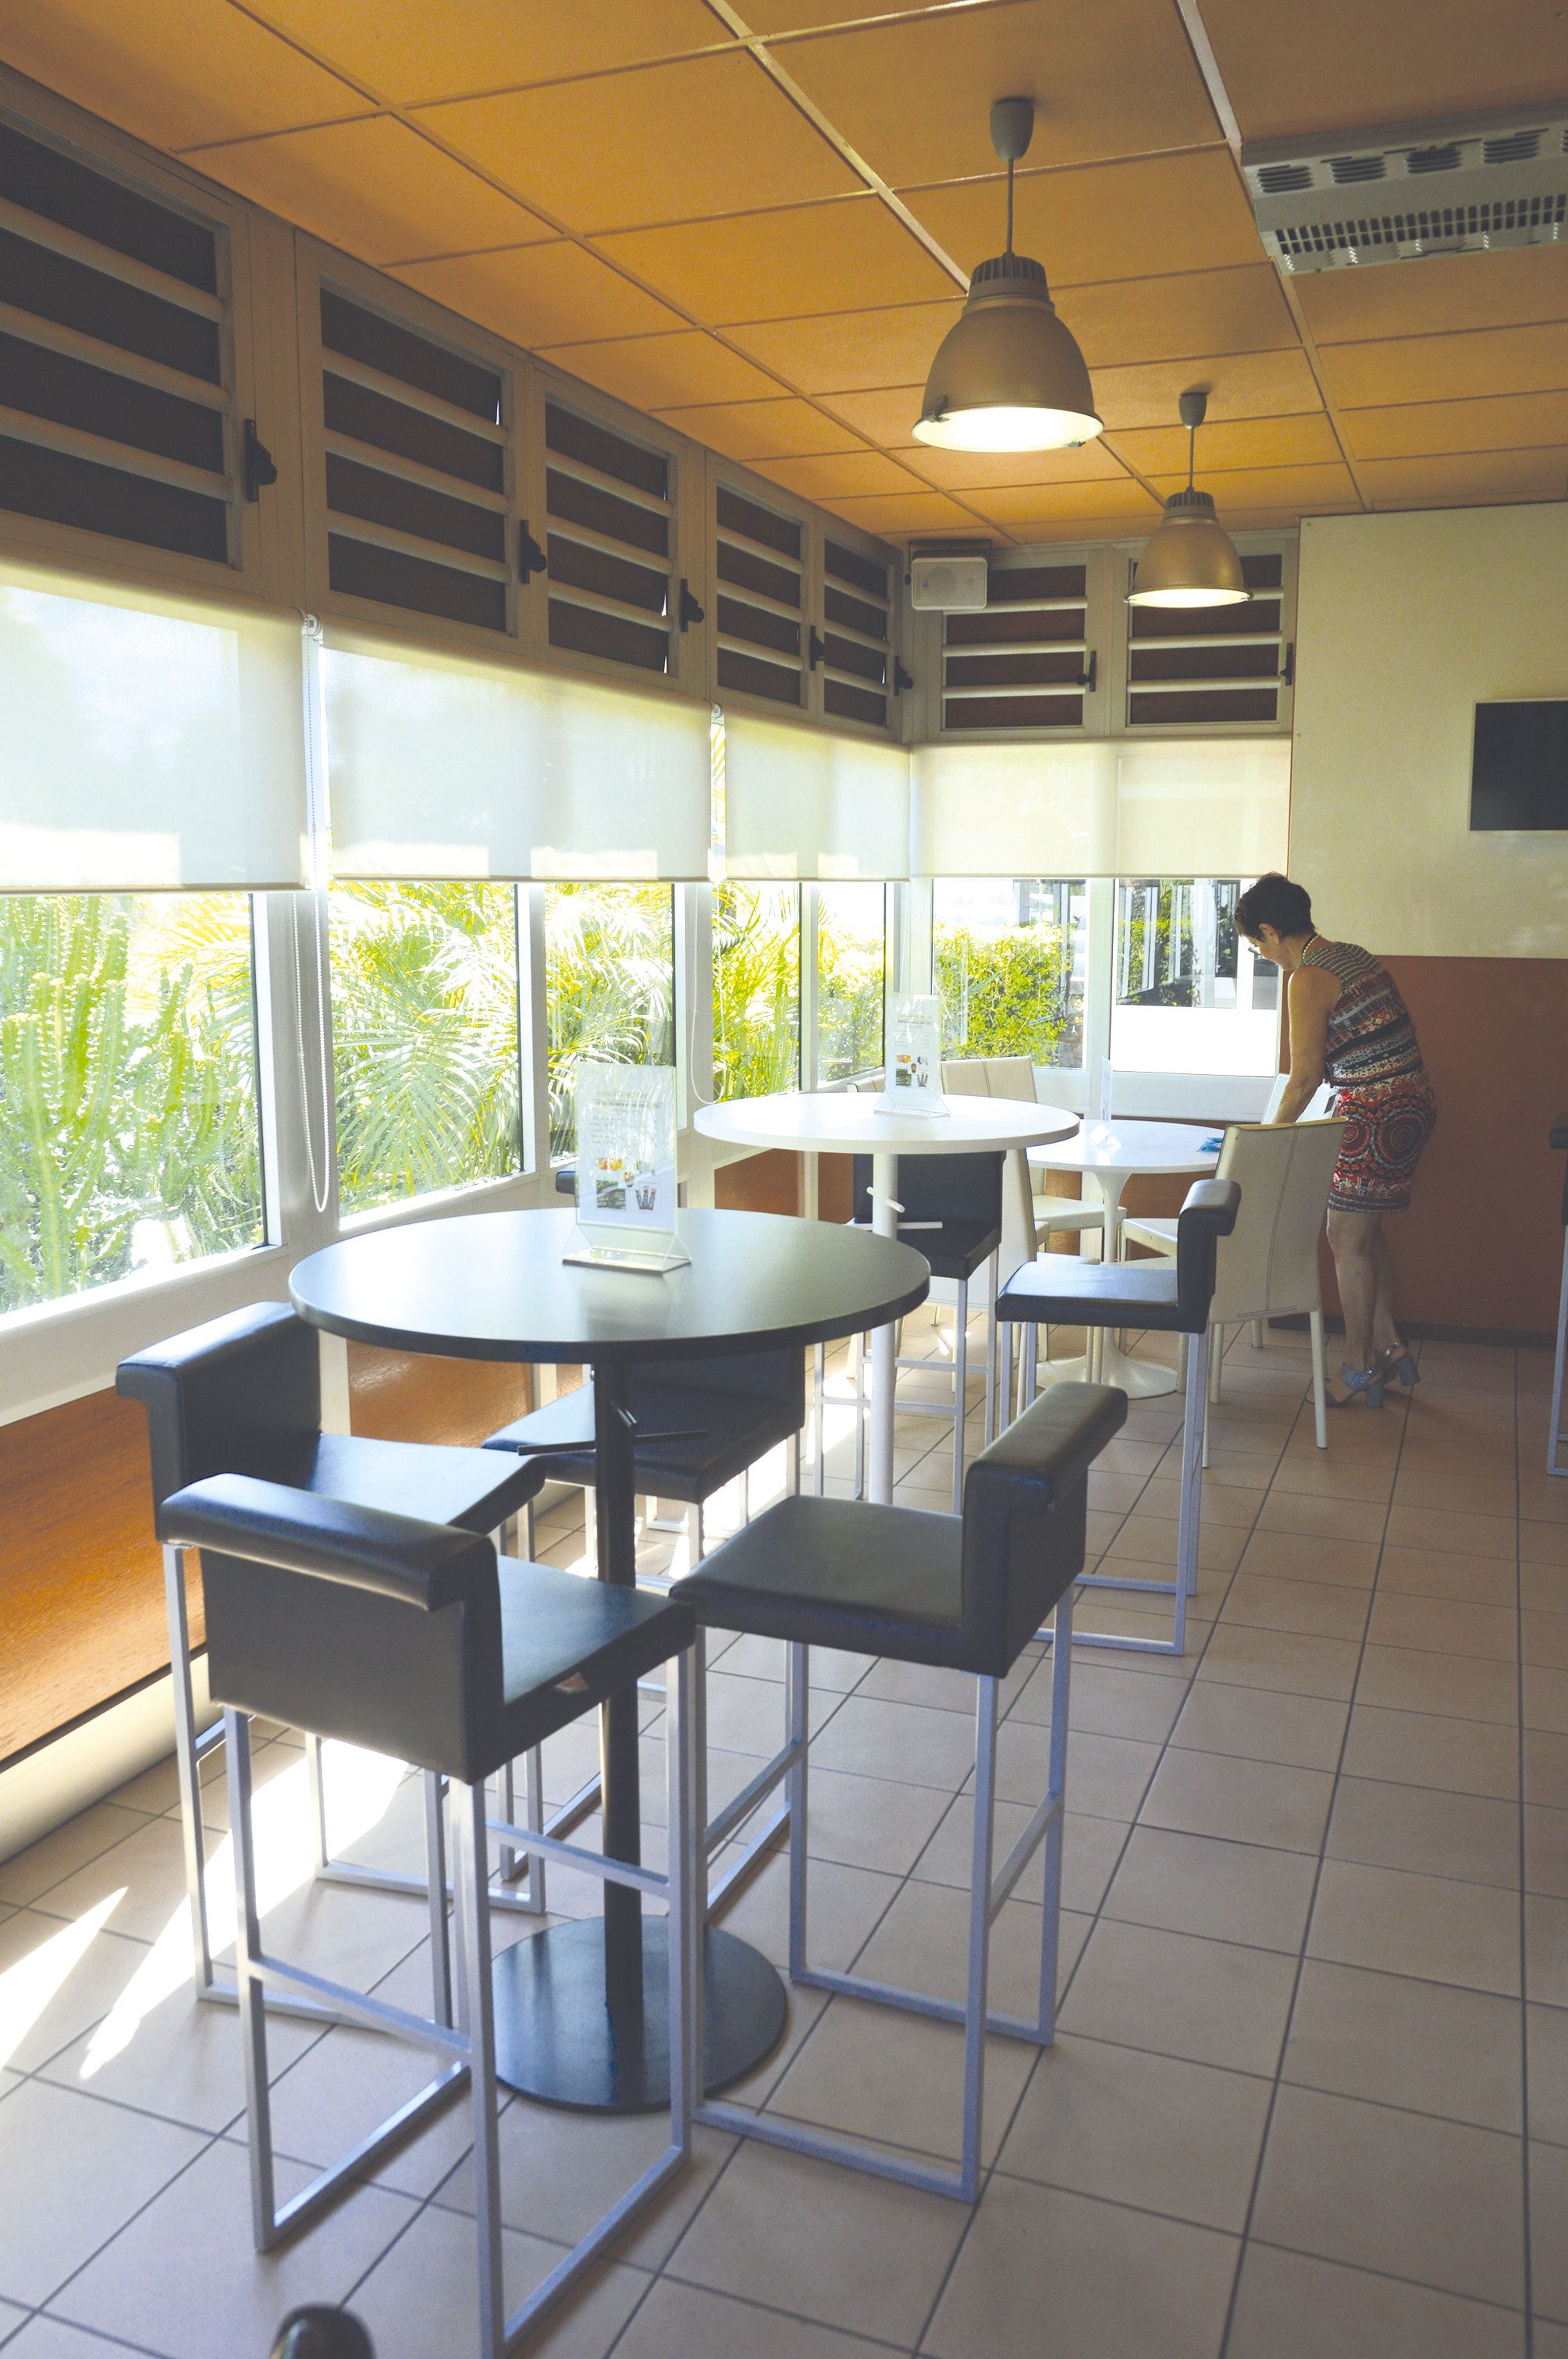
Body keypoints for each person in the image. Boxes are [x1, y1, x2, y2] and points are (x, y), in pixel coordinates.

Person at [1234, 873, 1435, 1408]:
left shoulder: (1307, 977)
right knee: (1364, 1231)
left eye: (1257, 943)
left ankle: (1358, 1363)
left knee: (1345, 1238)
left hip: (1372, 1112)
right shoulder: (1353, 955)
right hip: (1410, 1104)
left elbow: (1303, 1077)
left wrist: (1268, 1139)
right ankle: (1391, 1347)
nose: (1261, 954)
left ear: (1273, 931)